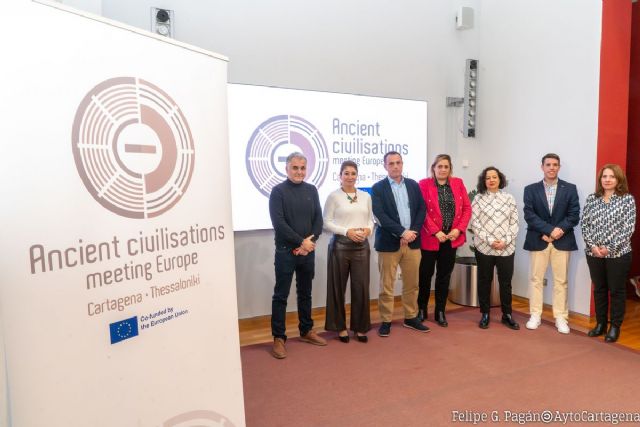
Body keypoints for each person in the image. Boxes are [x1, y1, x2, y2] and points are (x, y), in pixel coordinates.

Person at [268, 152, 326, 359]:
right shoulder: (278, 192)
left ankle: (306, 331)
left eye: (302, 168)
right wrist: (301, 242)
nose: (299, 172)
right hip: (285, 252)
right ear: (287, 169)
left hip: (307, 252)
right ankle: (279, 338)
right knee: (281, 295)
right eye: (295, 168)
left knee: (305, 293)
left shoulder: (312, 190)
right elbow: (279, 224)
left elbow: (318, 220)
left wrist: (309, 243)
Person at [372, 151, 429, 337]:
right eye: (391, 163)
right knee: (386, 286)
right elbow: (380, 215)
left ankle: (411, 317)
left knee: (412, 284)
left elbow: (421, 209)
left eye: (398, 163)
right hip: (389, 244)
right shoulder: (378, 188)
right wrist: (402, 232)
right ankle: (386, 320)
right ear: (385, 166)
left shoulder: (413, 185)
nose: (395, 166)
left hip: (412, 243)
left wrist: (411, 232)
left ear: (402, 164)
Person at [523, 153, 580, 334]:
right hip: (538, 239)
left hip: (562, 241)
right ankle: (535, 315)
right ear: (542, 167)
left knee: (561, 281)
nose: (552, 168)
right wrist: (548, 231)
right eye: (548, 164)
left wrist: (557, 232)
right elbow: (529, 215)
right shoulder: (530, 189)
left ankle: (561, 318)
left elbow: (574, 215)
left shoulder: (570, 189)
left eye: (555, 164)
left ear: (559, 167)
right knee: (536, 280)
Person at [581, 164, 635, 343]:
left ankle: (615, 327)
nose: (608, 179)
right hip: (594, 253)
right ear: (600, 179)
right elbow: (585, 225)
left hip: (618, 255)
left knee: (617, 291)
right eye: (604, 176)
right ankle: (600, 324)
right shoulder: (592, 199)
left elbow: (628, 229)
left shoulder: (627, 200)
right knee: (600, 289)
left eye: (612, 176)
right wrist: (593, 246)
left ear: (618, 179)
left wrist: (609, 248)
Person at [418, 154, 471, 327]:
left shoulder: (458, 183)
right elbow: (422, 211)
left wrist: (458, 229)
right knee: (425, 275)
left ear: (450, 169)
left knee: (444, 276)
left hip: (451, 238)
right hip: (431, 239)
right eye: (439, 166)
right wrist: (435, 231)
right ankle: (422, 309)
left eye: (446, 167)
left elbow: (466, 209)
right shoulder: (424, 184)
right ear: (433, 168)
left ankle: (440, 310)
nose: (442, 170)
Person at [323, 161, 374, 343]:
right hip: (340, 246)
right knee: (338, 288)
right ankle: (340, 328)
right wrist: (347, 232)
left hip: (362, 246)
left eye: (353, 173)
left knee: (361, 287)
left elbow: (371, 220)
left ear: (357, 175)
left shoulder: (365, 196)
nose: (350, 176)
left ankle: (360, 328)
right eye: (346, 173)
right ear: (340, 176)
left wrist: (368, 230)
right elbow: (326, 222)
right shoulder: (333, 197)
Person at [471, 166, 520, 330]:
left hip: (506, 248)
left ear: (500, 179)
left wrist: (504, 241)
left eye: (494, 177)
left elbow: (515, 223)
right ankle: (485, 313)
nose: (491, 180)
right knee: (485, 281)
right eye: (488, 178)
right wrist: (491, 240)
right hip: (484, 247)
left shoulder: (509, 198)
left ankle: (507, 315)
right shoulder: (478, 198)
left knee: (505, 282)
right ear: (483, 181)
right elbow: (475, 223)